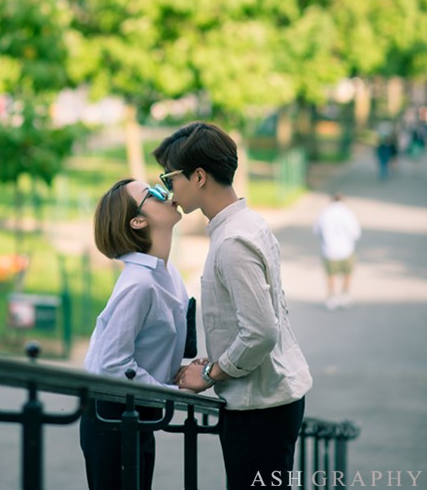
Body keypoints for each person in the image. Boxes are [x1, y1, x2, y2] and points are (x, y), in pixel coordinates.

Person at [153, 121, 312, 490]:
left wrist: (210, 375)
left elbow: (261, 331)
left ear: (198, 177)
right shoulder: (244, 224)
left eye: (169, 178)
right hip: (269, 400)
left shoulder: (232, 241)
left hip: (261, 409)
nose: (168, 190)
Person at [80, 177, 189, 490]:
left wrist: (180, 372)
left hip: (137, 412)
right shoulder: (139, 283)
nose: (166, 193)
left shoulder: (168, 274)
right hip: (110, 416)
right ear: (138, 221)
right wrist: (169, 394)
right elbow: (110, 364)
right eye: (153, 193)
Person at [313, 192, 361, 309]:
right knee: (347, 273)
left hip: (329, 249)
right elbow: (356, 233)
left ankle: (331, 296)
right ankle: (345, 294)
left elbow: (316, 231)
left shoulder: (324, 213)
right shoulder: (349, 213)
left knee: (331, 274)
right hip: (346, 249)